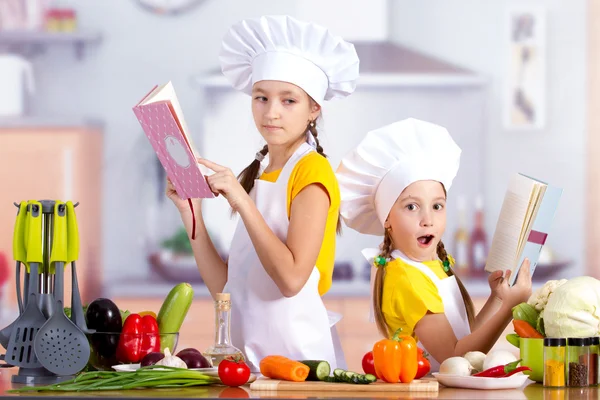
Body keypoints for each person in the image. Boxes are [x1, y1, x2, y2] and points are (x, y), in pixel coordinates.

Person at [166, 15, 359, 372]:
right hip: (249, 366)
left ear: (314, 108)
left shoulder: (312, 171)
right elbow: (226, 289)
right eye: (261, 97)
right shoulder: (262, 172)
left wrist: (240, 199)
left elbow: (291, 280)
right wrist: (190, 213)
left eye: (289, 101)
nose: (271, 112)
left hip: (297, 367)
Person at [336, 118, 532, 371]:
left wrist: (496, 299)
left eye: (437, 206)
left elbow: (464, 338)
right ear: (387, 219)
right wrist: (510, 307)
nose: (427, 220)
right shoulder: (406, 278)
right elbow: (455, 356)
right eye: (411, 207)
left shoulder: (433, 265)